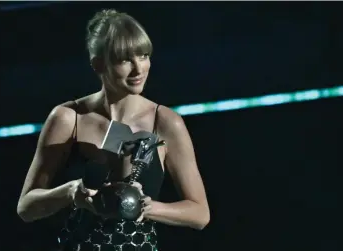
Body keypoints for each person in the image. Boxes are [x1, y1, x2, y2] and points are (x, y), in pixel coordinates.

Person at [17, 9, 210, 251]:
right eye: (125, 59)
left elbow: (200, 213)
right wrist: (70, 192)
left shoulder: (166, 122)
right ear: (98, 64)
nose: (138, 69)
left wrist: (146, 207)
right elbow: (26, 208)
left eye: (143, 55)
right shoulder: (68, 118)